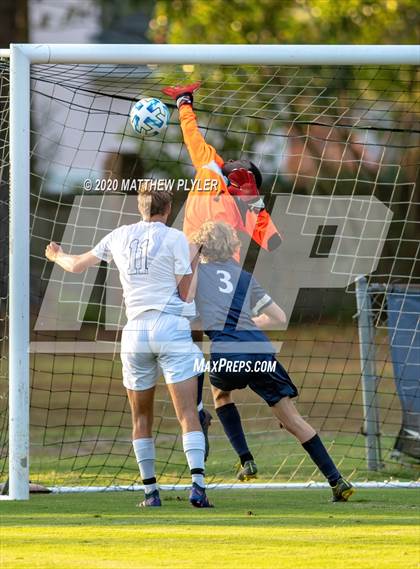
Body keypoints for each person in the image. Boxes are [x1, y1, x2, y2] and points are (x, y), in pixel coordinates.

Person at [45, 184, 213, 508]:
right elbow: (184, 293)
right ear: (168, 208)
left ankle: (151, 493)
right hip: (169, 327)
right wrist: (195, 258)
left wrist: (56, 255)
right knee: (188, 414)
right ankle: (198, 487)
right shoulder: (176, 238)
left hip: (134, 332)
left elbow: (77, 265)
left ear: (140, 207)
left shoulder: (119, 235)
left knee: (141, 418)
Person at [162, 81, 282, 472]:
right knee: (197, 335)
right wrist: (184, 102)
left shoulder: (228, 185)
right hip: (206, 271)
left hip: (204, 273)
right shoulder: (220, 175)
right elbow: (191, 133)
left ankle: (202, 405)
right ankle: (204, 406)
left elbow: (273, 244)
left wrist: (254, 202)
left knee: (195, 335)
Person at [190, 221, 355, 502]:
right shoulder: (244, 276)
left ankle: (246, 460)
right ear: (231, 245)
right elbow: (279, 317)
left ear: (202, 248)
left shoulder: (196, 275)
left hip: (228, 354)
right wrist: (246, 323)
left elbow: (190, 317)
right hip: (260, 351)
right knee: (292, 420)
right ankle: (337, 481)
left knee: (220, 395)